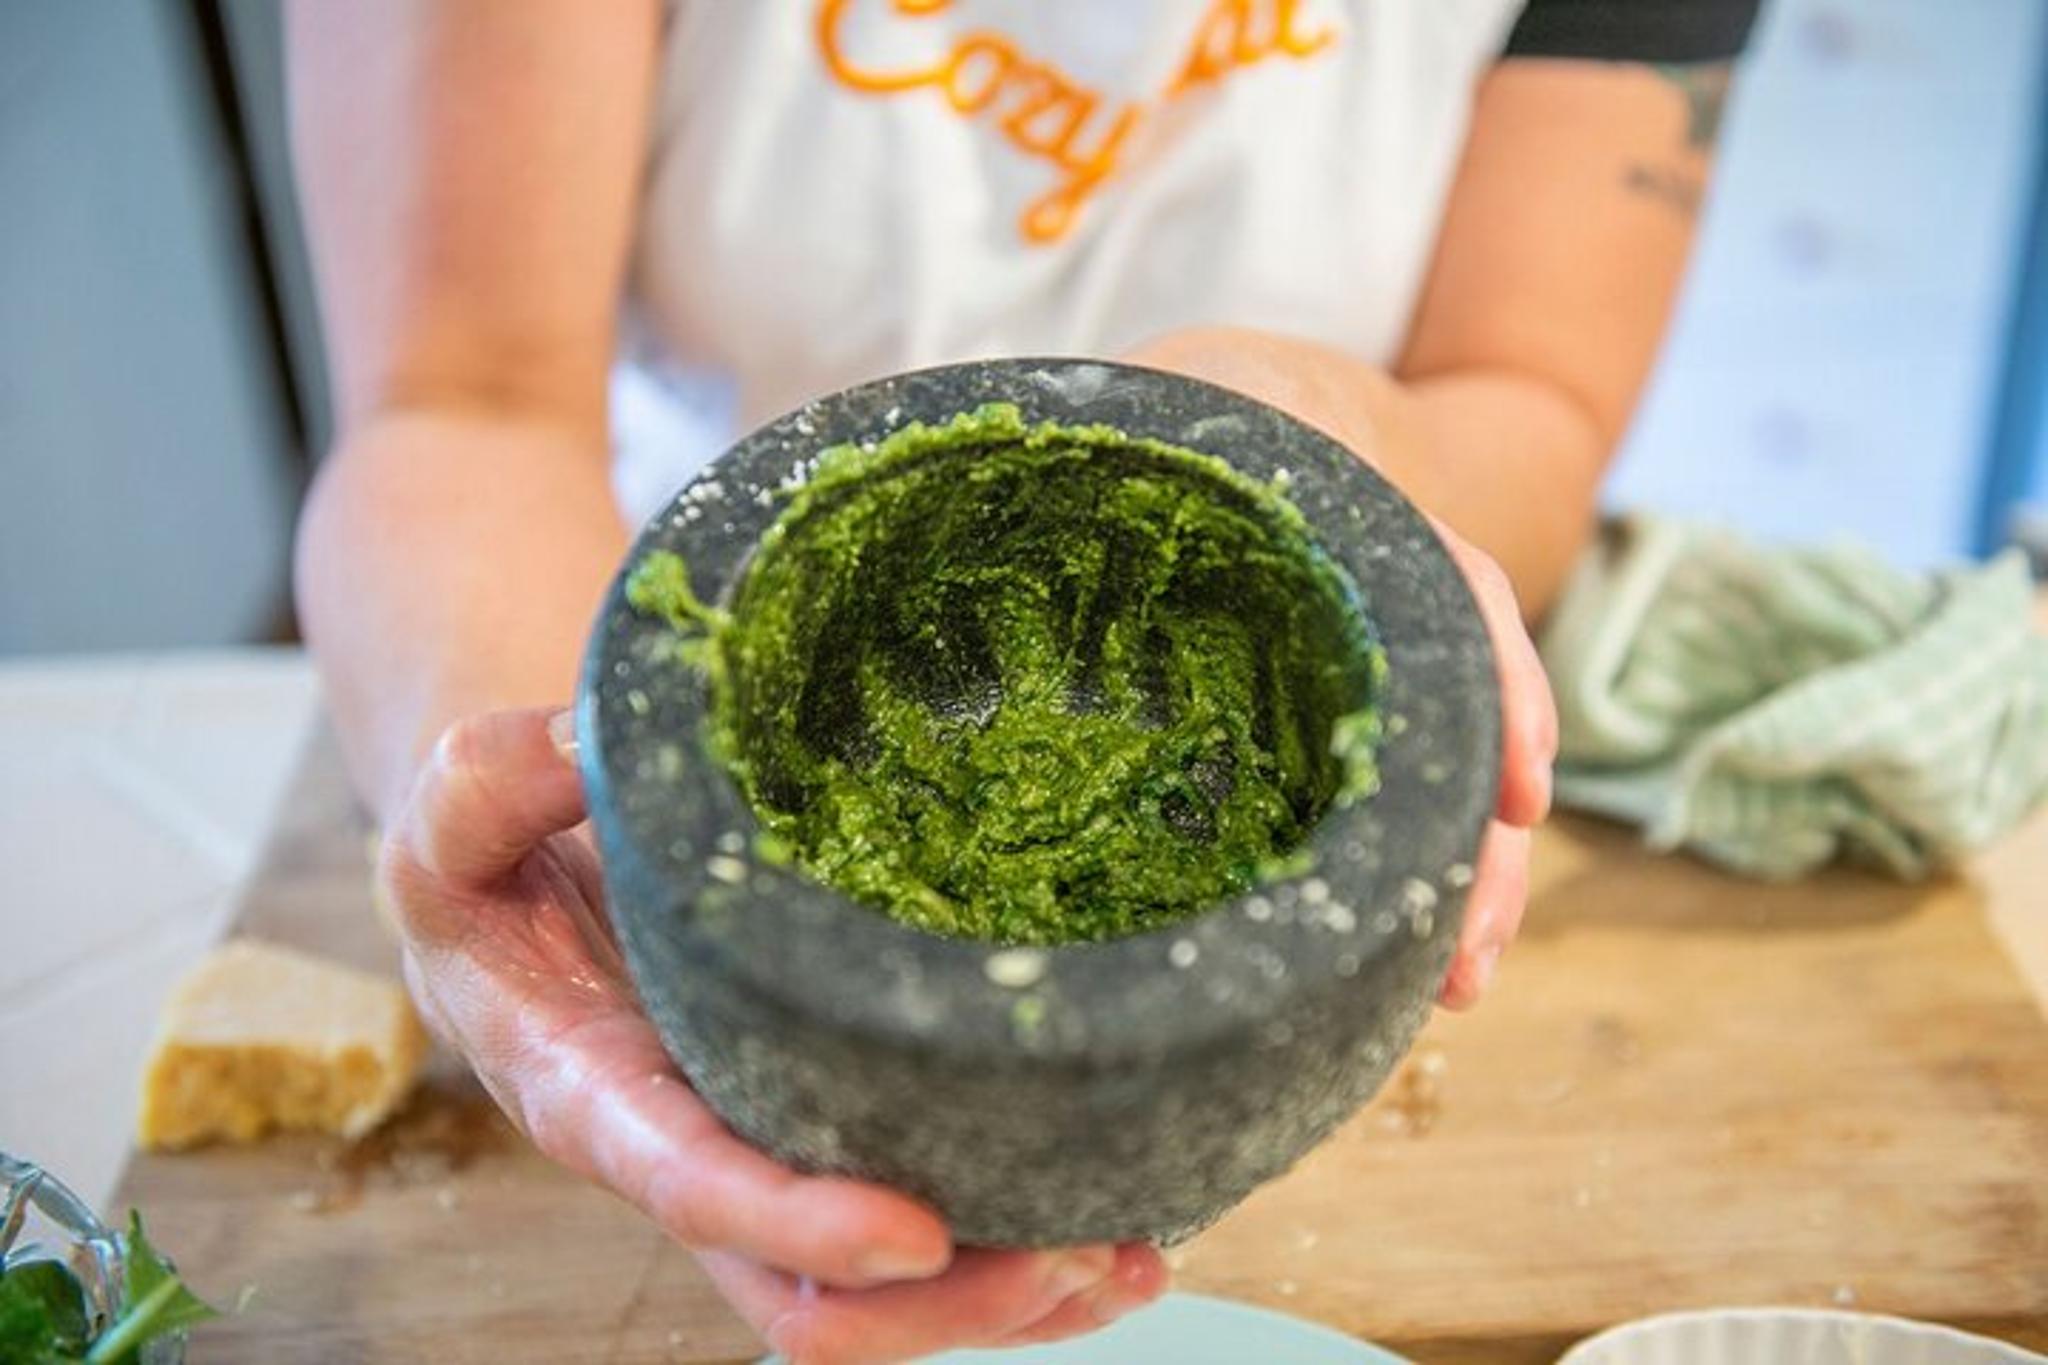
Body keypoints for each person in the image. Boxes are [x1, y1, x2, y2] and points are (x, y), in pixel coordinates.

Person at [288, 1, 1756, 1359]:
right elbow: (461, 403)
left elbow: (1531, 390)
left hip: (1304, 597)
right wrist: (582, 834)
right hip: (642, 641)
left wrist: (1320, 421)